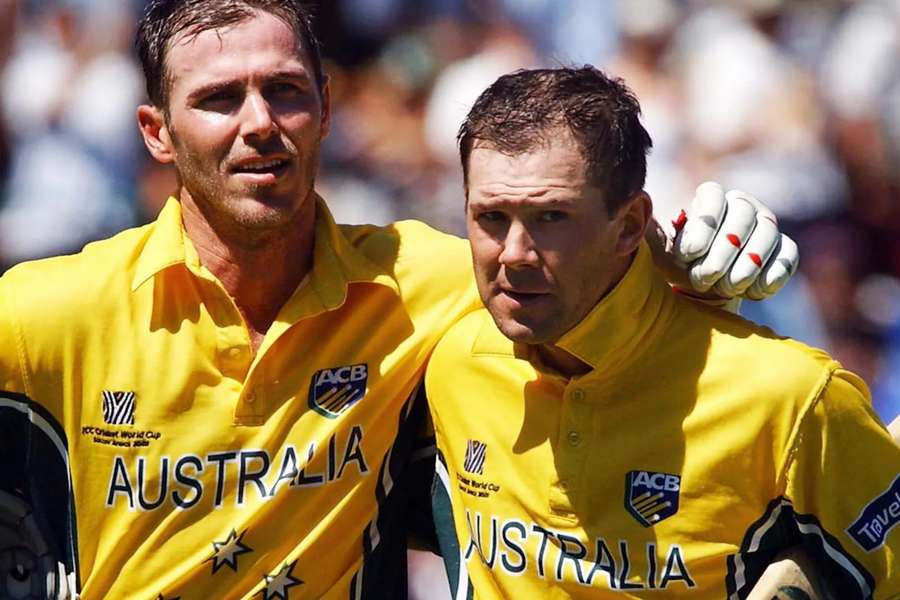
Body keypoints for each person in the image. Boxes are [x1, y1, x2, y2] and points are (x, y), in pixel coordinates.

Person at [0, 2, 794, 598]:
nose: (260, 125)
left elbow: (581, 278)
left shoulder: (425, 282)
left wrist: (681, 256)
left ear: (327, 108)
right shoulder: (51, 311)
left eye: (284, 91)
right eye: (217, 100)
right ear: (156, 132)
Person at [425, 67, 900, 599]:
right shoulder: (450, 363)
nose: (513, 253)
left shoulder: (792, 398)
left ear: (631, 224)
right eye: (490, 217)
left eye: (552, 216)